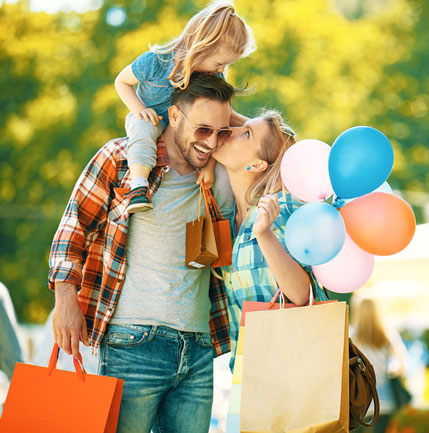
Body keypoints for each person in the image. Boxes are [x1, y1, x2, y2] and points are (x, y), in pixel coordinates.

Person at [49, 72, 236, 433]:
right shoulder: (122, 158)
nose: (212, 142)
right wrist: (65, 300)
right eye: (203, 130)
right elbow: (73, 228)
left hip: (198, 351)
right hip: (131, 346)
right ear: (175, 116)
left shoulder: (214, 180)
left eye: (222, 132)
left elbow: (209, 259)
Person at [209, 110, 329, 370]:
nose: (232, 131)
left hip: (293, 372)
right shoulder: (229, 220)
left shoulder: (281, 207)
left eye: (247, 134)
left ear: (258, 165)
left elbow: (301, 293)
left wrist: (264, 235)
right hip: (248, 374)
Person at [115, 2, 255, 214]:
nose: (223, 70)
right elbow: (122, 82)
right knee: (143, 130)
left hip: (185, 133)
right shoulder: (155, 61)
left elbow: (225, 117)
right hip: (150, 119)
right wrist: (139, 109)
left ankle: (226, 222)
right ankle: (138, 186)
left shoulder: (209, 77)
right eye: (219, 64)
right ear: (202, 47)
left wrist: (259, 128)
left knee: (216, 134)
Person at [352, 297, 409, 433]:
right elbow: (402, 367)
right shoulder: (388, 335)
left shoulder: (351, 337)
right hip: (385, 403)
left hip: (359, 403)